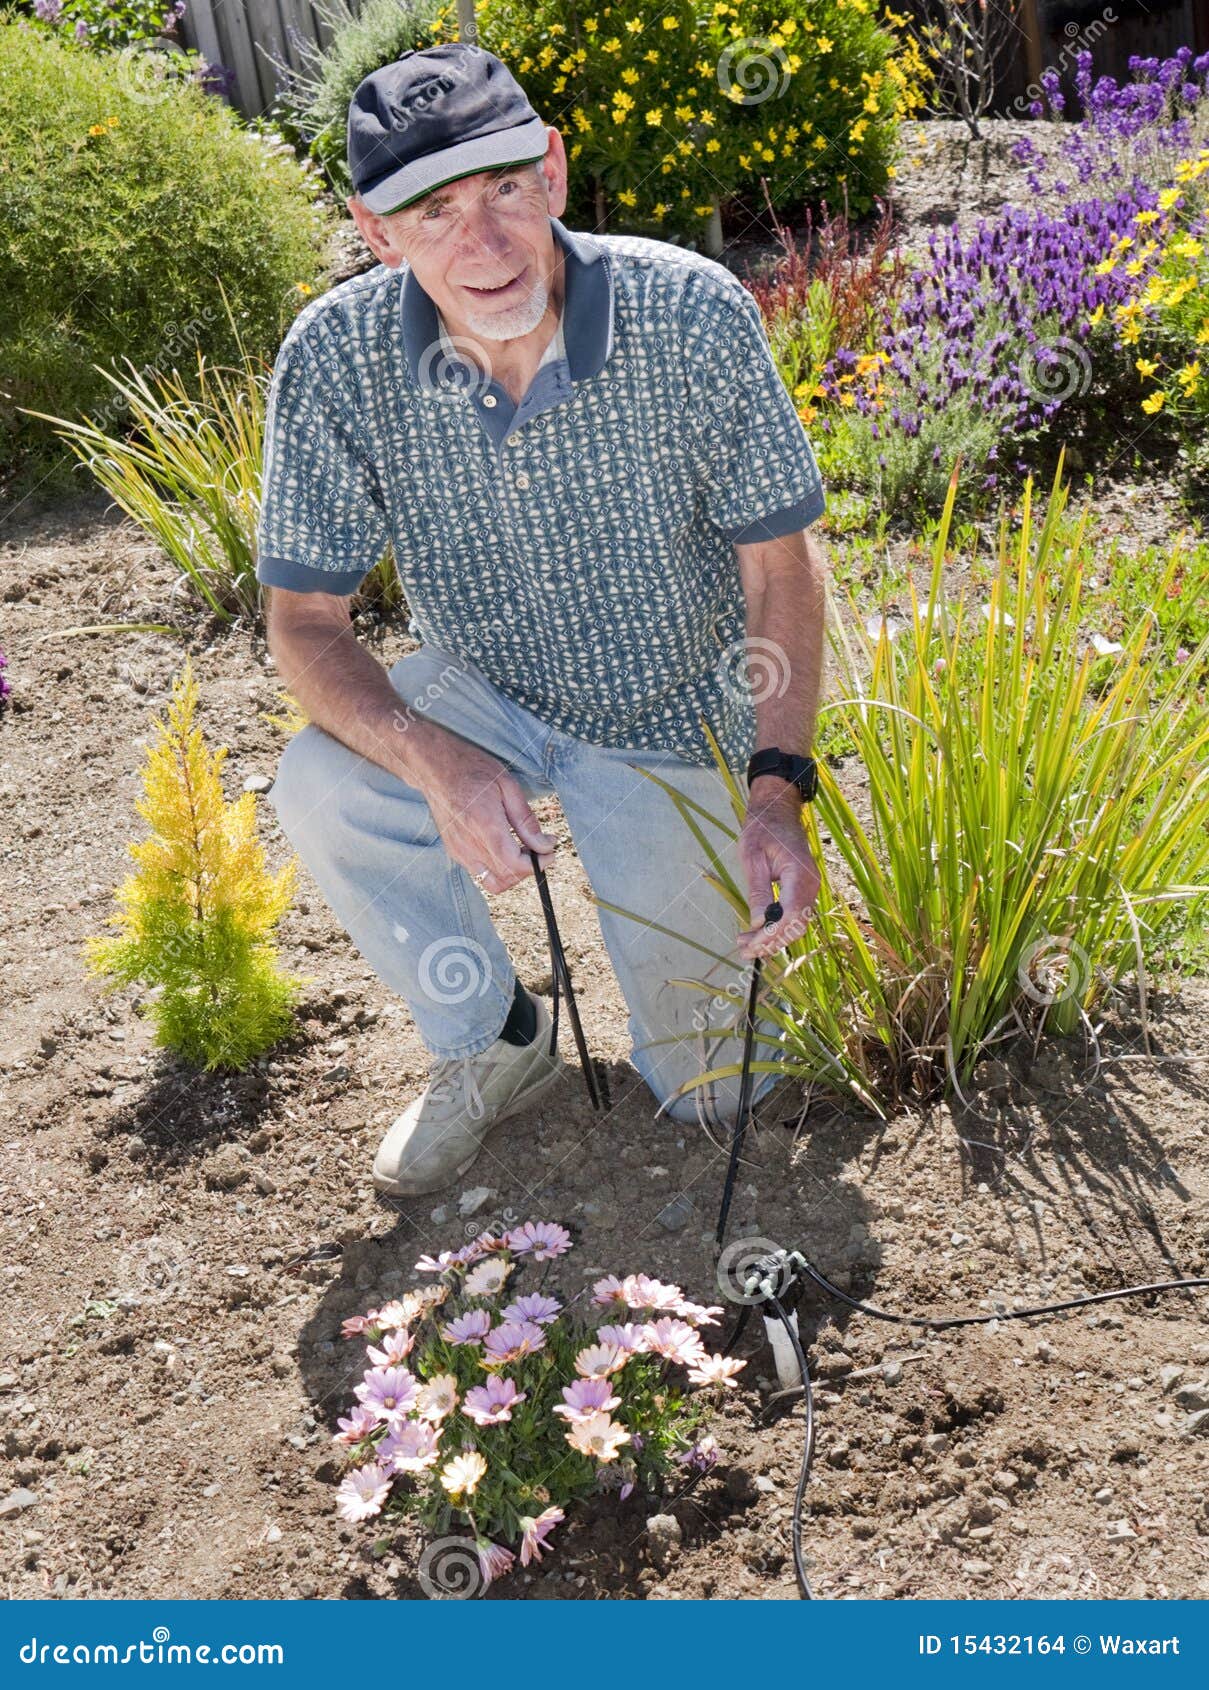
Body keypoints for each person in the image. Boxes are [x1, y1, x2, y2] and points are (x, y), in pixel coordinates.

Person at [255, 42, 829, 1198]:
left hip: (673, 706)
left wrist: (777, 787)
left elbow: (782, 569)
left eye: (504, 188)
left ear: (553, 173)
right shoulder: (335, 357)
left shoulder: (689, 313)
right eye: (434, 210)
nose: (485, 240)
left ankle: (714, 886)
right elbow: (303, 624)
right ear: (378, 233)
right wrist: (436, 763)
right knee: (323, 783)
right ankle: (497, 1040)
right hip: (488, 693)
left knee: (724, 1090)